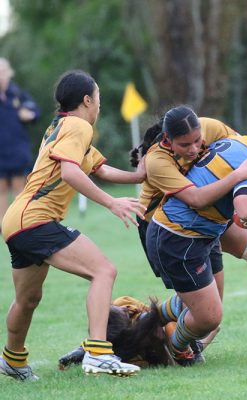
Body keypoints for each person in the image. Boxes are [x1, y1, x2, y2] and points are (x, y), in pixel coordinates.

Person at [131, 82, 247, 365]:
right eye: (186, 145)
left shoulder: (217, 131)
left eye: (198, 141)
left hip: (206, 221)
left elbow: (233, 162)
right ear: (169, 140)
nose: (196, 148)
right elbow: (216, 203)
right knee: (208, 316)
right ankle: (159, 343)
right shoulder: (158, 161)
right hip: (168, 224)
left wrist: (246, 183)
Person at [0, 70, 145, 381]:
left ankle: (12, 359)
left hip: (16, 220)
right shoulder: (79, 126)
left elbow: (100, 169)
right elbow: (70, 173)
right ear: (87, 100)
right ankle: (99, 352)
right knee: (103, 271)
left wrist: (139, 176)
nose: (99, 107)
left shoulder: (60, 126)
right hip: (35, 218)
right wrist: (112, 202)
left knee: (27, 299)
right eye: (99, 100)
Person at [57, 295, 218, 369]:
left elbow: (156, 313)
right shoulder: (132, 355)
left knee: (176, 321)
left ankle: (85, 348)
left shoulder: (123, 304)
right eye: (124, 313)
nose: (125, 308)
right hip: (170, 349)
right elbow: (169, 366)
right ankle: (192, 352)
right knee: (212, 328)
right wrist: (160, 345)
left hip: (165, 332)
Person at [0, 58, 41, 224]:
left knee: (20, 189)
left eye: (3, 72)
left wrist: (30, 114)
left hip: (17, 150)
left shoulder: (17, 94)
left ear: (9, 73)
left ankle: (20, 224)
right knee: (1, 191)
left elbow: (35, 111)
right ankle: (3, 226)